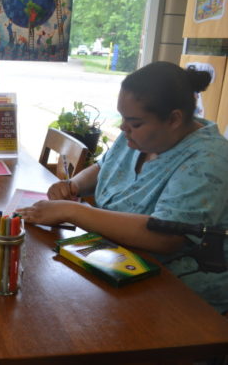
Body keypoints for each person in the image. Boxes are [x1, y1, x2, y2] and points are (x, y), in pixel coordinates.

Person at [16, 61, 228, 314]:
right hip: (114, 262)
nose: (123, 129)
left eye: (135, 123)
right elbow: (106, 166)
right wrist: (73, 185)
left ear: (173, 119)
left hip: (178, 294)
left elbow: (165, 238)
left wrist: (72, 211)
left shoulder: (209, 160)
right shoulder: (141, 136)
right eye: (123, 119)